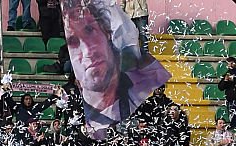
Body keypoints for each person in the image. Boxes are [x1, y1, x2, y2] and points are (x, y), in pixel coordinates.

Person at [60, 0, 168, 132]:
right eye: (74, 42)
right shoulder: (76, 105)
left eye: (90, 31)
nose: (87, 51)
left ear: (108, 34)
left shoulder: (137, 90)